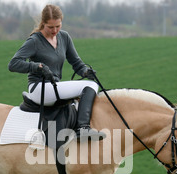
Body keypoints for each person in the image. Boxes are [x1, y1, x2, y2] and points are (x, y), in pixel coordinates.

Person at [8, 4, 106, 141]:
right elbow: (13, 64)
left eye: (58, 26)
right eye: (50, 27)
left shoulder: (64, 37)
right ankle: (82, 129)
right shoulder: (35, 41)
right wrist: (37, 67)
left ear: (61, 22)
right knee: (90, 86)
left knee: (90, 83)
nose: (55, 30)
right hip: (39, 88)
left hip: (54, 87)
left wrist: (85, 71)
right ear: (43, 23)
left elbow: (76, 63)